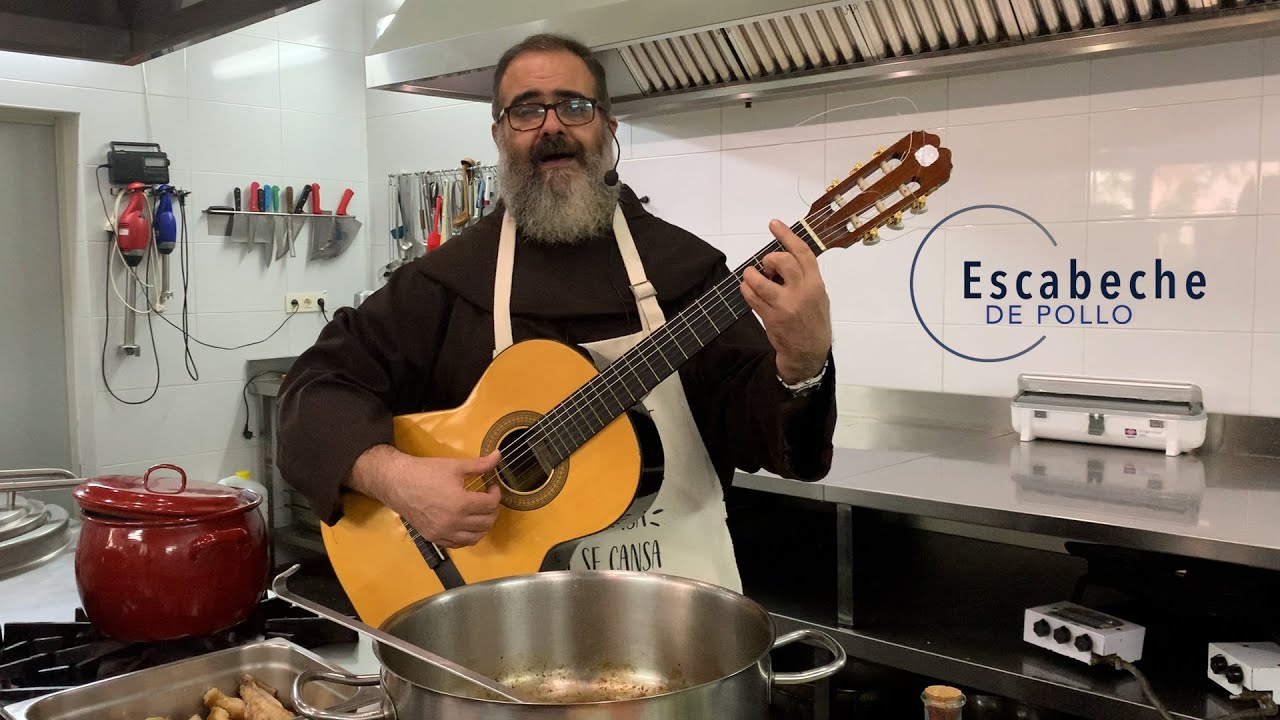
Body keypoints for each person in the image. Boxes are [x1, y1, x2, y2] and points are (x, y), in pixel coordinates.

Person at [275, 33, 837, 592]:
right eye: (526, 110)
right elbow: (313, 392)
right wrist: (397, 479)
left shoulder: (687, 271)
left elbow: (765, 437)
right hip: (495, 623)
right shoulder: (442, 282)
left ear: (608, 130)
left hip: (672, 616)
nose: (551, 126)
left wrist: (803, 362)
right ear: (499, 135)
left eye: (574, 105)